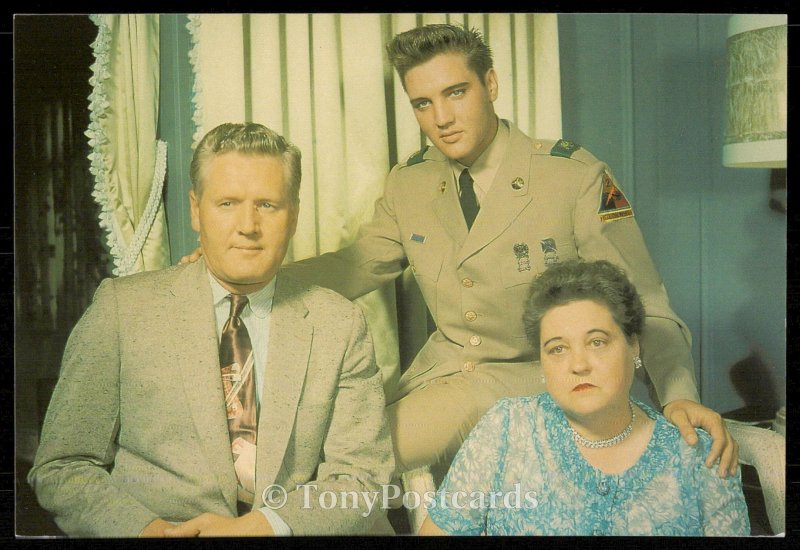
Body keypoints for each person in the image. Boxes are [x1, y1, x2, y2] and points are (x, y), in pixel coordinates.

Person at [183, 24, 736, 476]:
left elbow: (643, 299)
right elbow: (355, 266)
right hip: (441, 372)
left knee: (353, 461)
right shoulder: (411, 182)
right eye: (422, 103)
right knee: (317, 443)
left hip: (528, 379)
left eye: (456, 93)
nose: (441, 119)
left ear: (490, 84)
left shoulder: (572, 175)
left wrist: (677, 394)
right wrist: (237, 276)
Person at [28, 123, 395, 537]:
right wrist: (147, 531)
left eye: (268, 205)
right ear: (195, 210)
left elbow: (362, 479)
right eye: (227, 203)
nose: (248, 226)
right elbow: (63, 466)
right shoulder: (122, 310)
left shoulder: (339, 324)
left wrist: (266, 526)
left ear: (293, 215)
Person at [419, 260, 750, 536]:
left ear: (633, 346)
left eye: (597, 342)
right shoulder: (507, 428)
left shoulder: (700, 455)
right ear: (542, 363)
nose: (578, 365)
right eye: (558, 349)